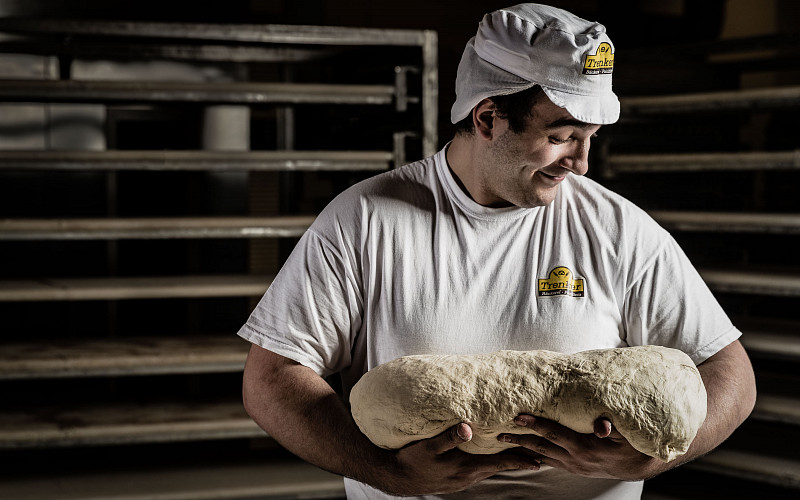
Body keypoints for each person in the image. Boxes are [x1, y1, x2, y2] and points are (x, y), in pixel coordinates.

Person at [238, 4, 756, 499]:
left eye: (590, 137)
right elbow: (272, 379)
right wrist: (389, 474)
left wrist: (650, 459)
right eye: (562, 136)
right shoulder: (366, 220)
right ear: (488, 118)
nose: (581, 164)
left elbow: (730, 373)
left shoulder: (618, 229)